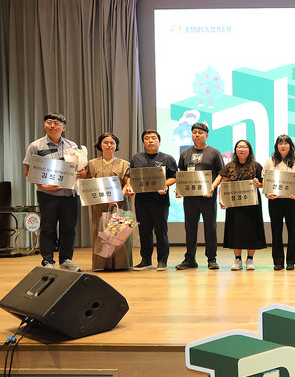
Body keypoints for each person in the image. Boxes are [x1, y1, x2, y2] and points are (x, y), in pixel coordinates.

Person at [23, 113, 83, 271]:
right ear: (44, 125)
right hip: (47, 195)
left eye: (56, 123)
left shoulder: (72, 146)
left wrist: (81, 173)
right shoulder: (36, 146)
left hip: (70, 194)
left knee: (68, 228)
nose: (52, 126)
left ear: (64, 127)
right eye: (49, 122)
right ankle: (47, 261)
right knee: (48, 228)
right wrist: (43, 186)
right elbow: (28, 171)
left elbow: (79, 168)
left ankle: (66, 260)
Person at [124, 130, 178, 271]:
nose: (150, 140)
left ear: (159, 141)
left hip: (160, 201)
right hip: (141, 201)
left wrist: (164, 184)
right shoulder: (136, 158)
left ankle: (162, 260)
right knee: (144, 231)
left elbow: (174, 177)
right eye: (147, 138)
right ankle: (146, 260)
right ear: (143, 142)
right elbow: (129, 176)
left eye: (153, 138)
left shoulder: (168, 158)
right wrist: (129, 186)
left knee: (161, 231)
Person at [175, 122, 225, 270]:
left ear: (206, 135)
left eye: (200, 132)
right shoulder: (185, 153)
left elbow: (221, 173)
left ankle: (211, 259)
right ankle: (190, 259)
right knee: (190, 228)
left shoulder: (214, 152)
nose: (197, 135)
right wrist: (179, 189)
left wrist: (212, 186)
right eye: (194, 132)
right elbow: (181, 173)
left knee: (210, 228)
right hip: (190, 197)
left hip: (207, 197)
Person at [80, 133, 132, 271]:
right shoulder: (91, 164)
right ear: (100, 145)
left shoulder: (125, 164)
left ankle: (121, 264)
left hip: (119, 203)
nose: (109, 145)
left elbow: (127, 184)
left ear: (116, 146)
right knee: (100, 232)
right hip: (99, 204)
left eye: (112, 143)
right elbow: (88, 184)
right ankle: (101, 265)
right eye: (106, 142)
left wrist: (118, 197)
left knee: (120, 233)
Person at [212, 139, 266, 271]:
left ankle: (250, 259)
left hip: (252, 204)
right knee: (235, 230)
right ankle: (237, 259)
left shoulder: (256, 166)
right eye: (239, 147)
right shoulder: (230, 166)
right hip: (234, 203)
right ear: (235, 150)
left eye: (244, 147)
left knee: (252, 230)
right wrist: (221, 198)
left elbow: (263, 184)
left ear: (249, 150)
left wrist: (258, 183)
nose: (241, 149)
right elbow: (223, 182)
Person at [264, 134, 295, 271]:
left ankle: (291, 261)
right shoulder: (270, 162)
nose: (283, 146)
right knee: (276, 232)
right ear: (276, 146)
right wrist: (267, 194)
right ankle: (278, 261)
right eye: (280, 143)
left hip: (292, 201)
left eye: (285, 143)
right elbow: (265, 179)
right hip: (275, 201)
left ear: (290, 146)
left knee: (293, 231)